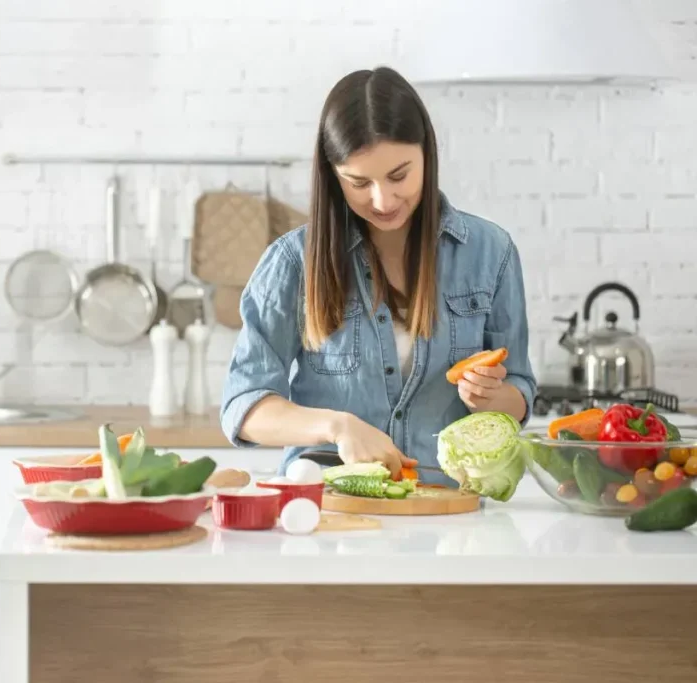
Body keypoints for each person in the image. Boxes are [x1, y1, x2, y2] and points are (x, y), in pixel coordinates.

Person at [219, 66, 536, 482]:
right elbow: (243, 406)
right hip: (328, 512)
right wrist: (336, 426)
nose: (382, 199)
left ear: (427, 154)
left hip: (448, 507)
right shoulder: (294, 262)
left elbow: (521, 397)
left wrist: (492, 397)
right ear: (333, 177)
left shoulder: (490, 252)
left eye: (398, 175)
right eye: (358, 182)